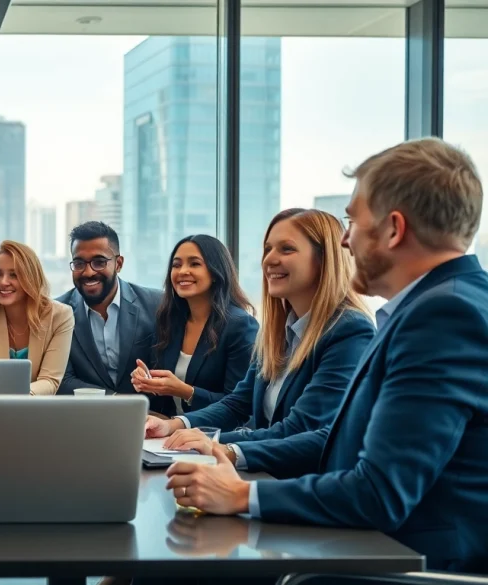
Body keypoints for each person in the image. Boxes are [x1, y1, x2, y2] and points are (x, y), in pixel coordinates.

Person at [165, 138, 488, 573]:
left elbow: (379, 492)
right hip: (367, 543)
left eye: (352, 221)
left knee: (185, 565)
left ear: (393, 229)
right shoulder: (440, 304)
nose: (346, 240)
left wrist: (240, 495)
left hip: (400, 563)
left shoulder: (442, 315)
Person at [146, 209, 375, 460]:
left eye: (286, 249)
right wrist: (173, 425)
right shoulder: (276, 333)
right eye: (268, 249)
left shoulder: (349, 331)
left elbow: (300, 430)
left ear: (324, 259)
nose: (269, 259)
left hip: (304, 485)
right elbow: (237, 403)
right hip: (267, 473)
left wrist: (220, 446)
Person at [130, 235, 258, 416]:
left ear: (215, 272)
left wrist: (185, 391)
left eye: (195, 264)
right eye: (176, 265)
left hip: (218, 437)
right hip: (169, 432)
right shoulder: (169, 321)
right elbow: (163, 398)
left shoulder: (240, 325)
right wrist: (147, 381)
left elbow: (240, 405)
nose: (182, 271)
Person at [56, 221, 164, 397]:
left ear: (119, 264)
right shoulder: (58, 313)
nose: (88, 272)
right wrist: (115, 401)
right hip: (84, 417)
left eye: (99, 262)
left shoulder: (157, 304)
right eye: (79, 263)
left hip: (152, 417)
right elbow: (61, 379)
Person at [0, 240, 75, 395]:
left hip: (36, 411)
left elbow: (50, 381)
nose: (3, 282)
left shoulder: (60, 316)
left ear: (30, 278)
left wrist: (17, 397)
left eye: (14, 275)